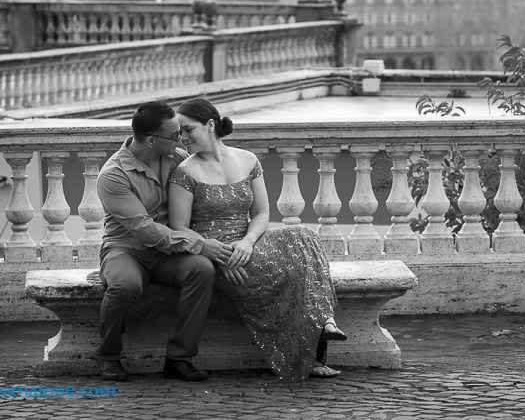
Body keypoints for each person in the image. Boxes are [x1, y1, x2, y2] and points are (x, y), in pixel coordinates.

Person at [168, 97, 347, 382]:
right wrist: (218, 256)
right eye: (179, 132)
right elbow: (179, 227)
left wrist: (249, 241)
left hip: (249, 242)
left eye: (188, 130)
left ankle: (323, 321)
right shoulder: (184, 172)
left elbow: (262, 213)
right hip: (219, 254)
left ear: (210, 125)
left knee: (304, 235)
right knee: (288, 272)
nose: (182, 137)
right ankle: (312, 341)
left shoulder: (248, 159)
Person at [96, 101, 235, 382]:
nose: (181, 139)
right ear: (150, 140)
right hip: (127, 250)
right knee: (124, 286)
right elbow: (144, 230)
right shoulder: (112, 175)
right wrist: (199, 244)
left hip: (168, 253)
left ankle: (179, 358)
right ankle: (109, 355)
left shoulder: (176, 158)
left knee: (201, 270)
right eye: (174, 135)